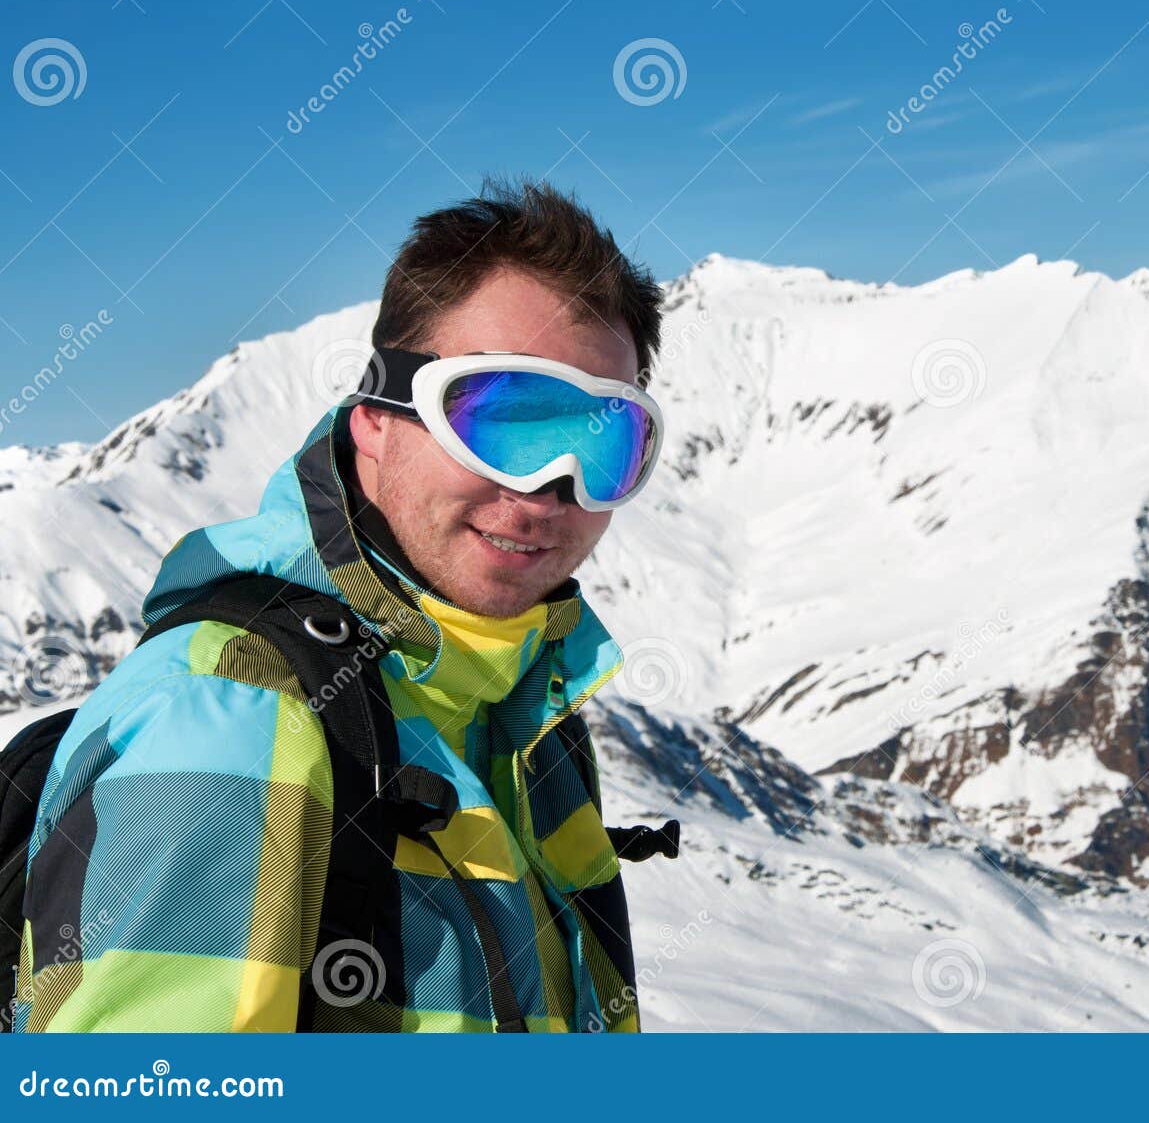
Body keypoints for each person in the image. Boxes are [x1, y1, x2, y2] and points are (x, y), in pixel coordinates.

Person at [11, 179, 665, 1032]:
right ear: (375, 418)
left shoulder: (528, 713)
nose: (546, 489)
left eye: (603, 442)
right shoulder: (231, 713)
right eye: (500, 417)